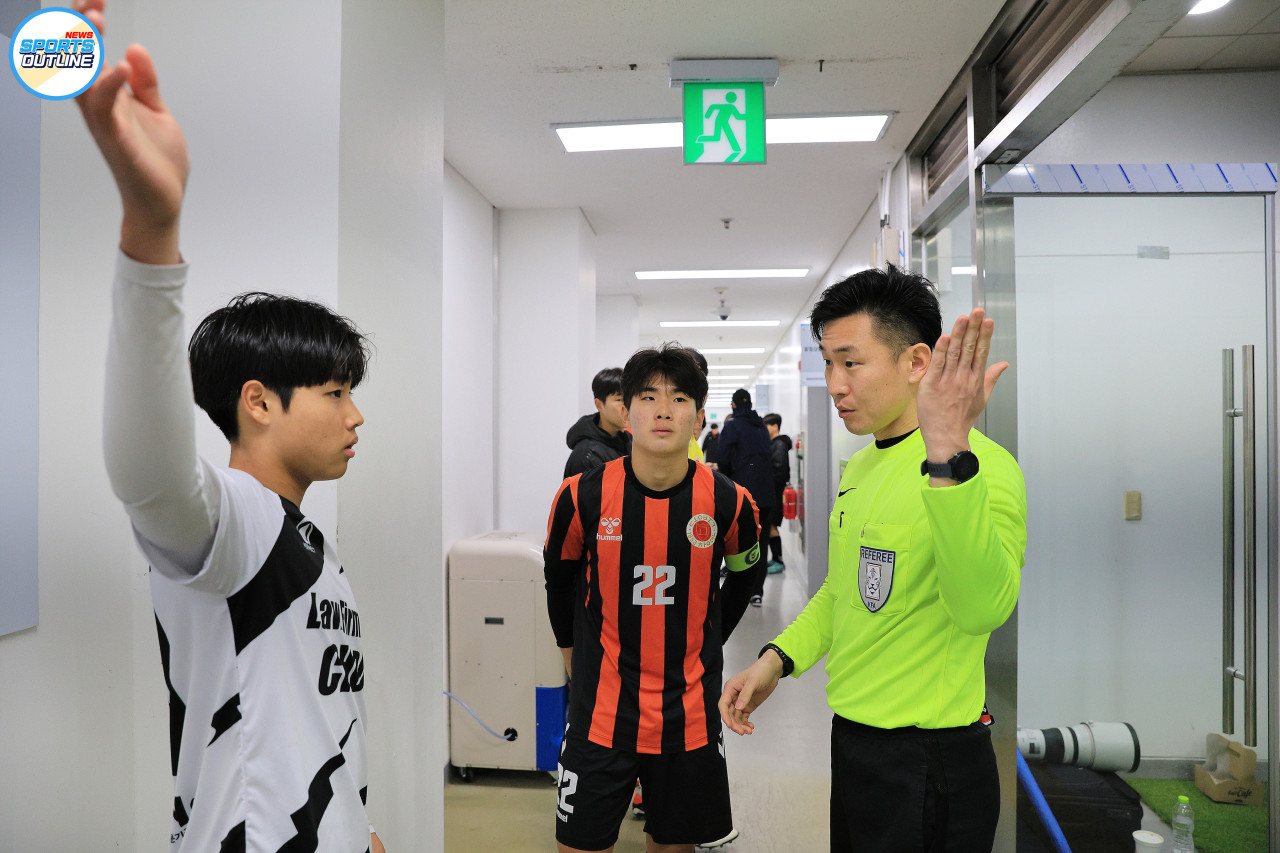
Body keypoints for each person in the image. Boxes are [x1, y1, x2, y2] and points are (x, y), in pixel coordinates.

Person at [75, 3, 385, 850]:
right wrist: (151, 234)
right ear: (258, 401)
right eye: (335, 391)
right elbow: (150, 477)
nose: (355, 415)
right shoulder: (237, 525)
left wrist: (360, 824)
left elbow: (311, 719)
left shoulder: (304, 540)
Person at [719, 265, 1027, 853]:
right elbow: (842, 592)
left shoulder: (983, 468)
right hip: (854, 743)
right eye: (827, 363)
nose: (835, 384)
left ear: (916, 362)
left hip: (931, 760)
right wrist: (776, 660)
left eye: (851, 363)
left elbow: (982, 609)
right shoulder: (861, 466)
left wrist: (947, 457)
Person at [543, 344, 761, 853]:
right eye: (648, 397)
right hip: (600, 715)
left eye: (680, 398)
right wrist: (571, 655)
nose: (663, 410)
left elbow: (745, 577)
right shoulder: (580, 496)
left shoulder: (730, 501)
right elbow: (560, 582)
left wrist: (709, 638)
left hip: (689, 718)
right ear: (626, 412)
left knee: (673, 845)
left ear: (700, 418)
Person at [716, 389, 773, 607]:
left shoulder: (732, 425)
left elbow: (723, 458)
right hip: (766, 494)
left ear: (733, 405)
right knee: (762, 543)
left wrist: (728, 480)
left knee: (738, 543)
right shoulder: (761, 426)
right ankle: (757, 592)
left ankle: (740, 593)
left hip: (743, 495)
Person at [565, 367, 632, 478]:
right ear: (599, 405)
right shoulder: (587, 456)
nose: (628, 406)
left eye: (630, 399)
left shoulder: (630, 442)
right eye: (620, 400)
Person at [762, 413, 792, 573]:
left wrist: (767, 482)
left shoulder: (779, 444)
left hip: (775, 493)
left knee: (771, 526)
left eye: (766, 426)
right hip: (772, 492)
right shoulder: (773, 444)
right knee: (770, 526)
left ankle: (778, 560)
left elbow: (779, 470)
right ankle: (775, 558)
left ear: (775, 426)